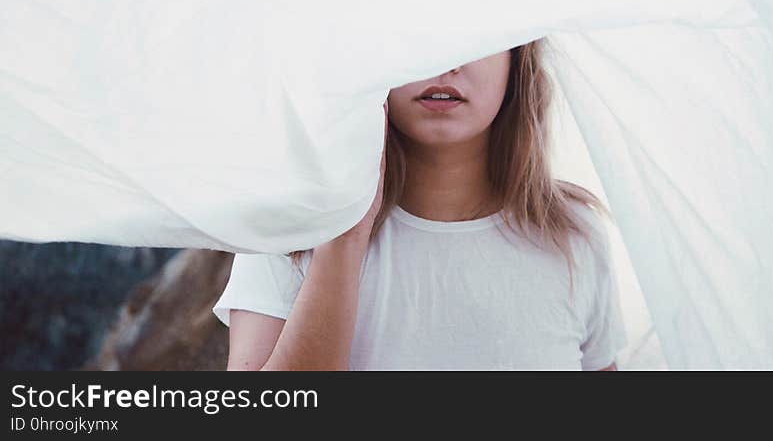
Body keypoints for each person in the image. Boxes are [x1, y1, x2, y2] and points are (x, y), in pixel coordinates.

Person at [212, 38, 628, 370]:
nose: (445, 61)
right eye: (418, 31)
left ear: (517, 58)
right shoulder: (289, 230)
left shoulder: (574, 234)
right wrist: (342, 240)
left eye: (476, 34)